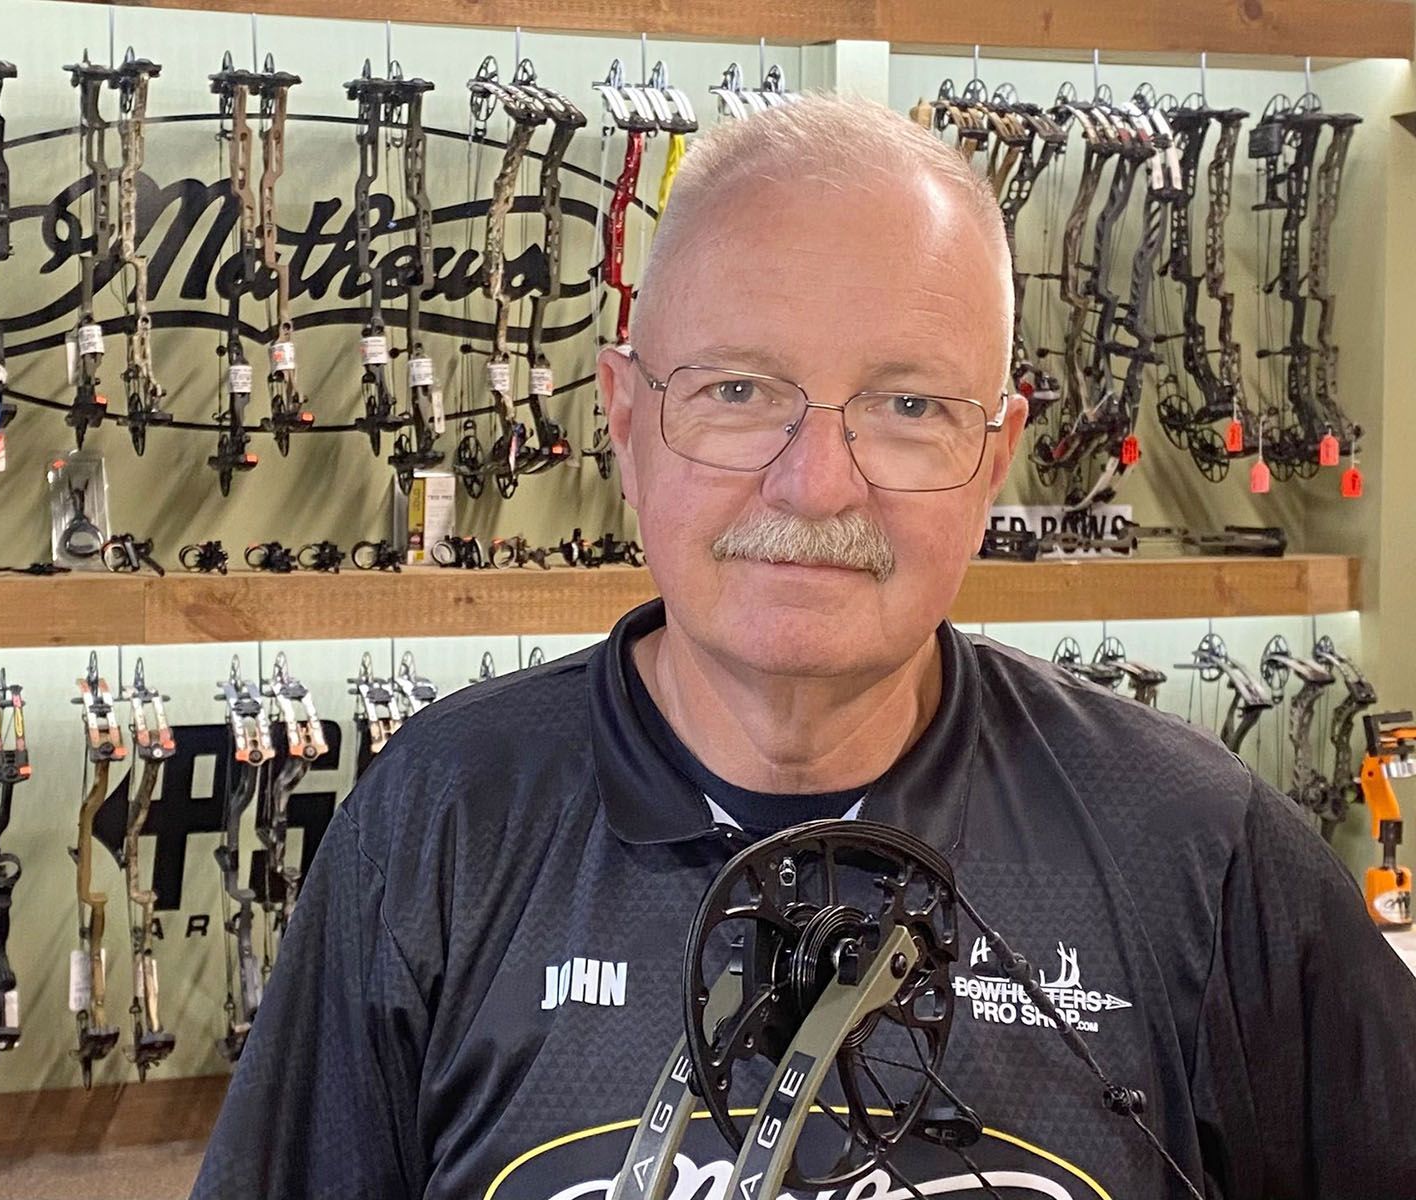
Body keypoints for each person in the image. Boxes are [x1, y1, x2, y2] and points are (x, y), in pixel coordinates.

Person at [192, 94, 1416, 1200]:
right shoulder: (440, 824)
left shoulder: (1198, 849)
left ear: (993, 457)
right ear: (626, 421)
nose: (817, 483)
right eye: (737, 390)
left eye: (907, 407)